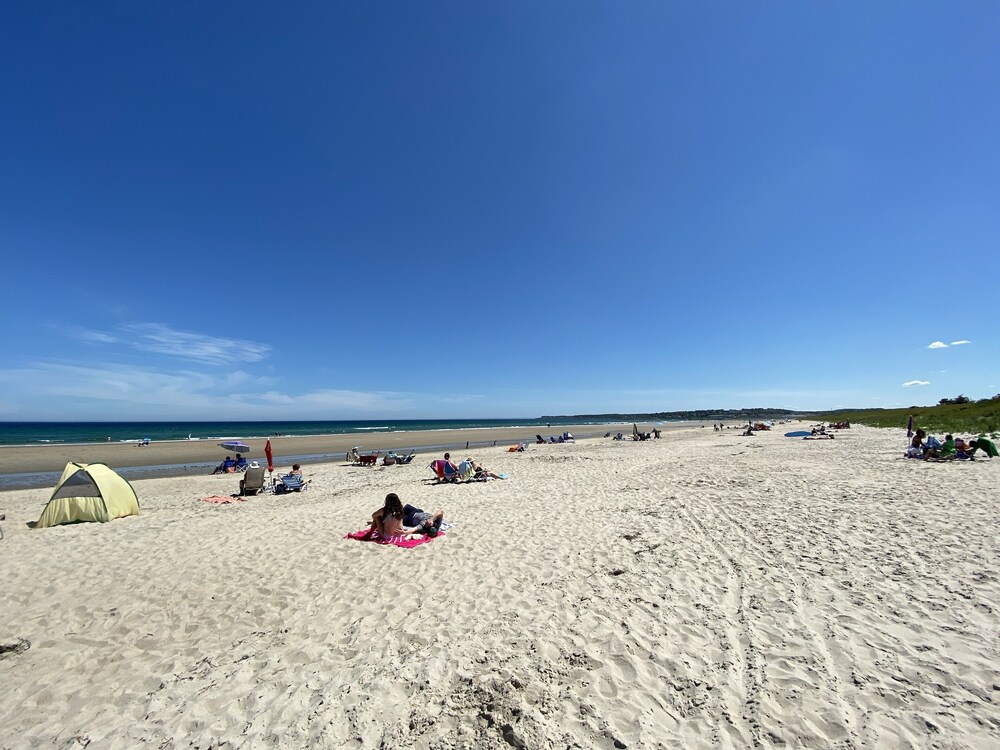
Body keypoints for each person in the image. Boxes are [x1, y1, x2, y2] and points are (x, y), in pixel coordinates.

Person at [369, 493, 436, 539]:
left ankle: (369, 533)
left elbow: (373, 516)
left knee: (377, 517)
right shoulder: (400, 509)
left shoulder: (384, 510)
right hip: (399, 534)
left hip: (387, 536)